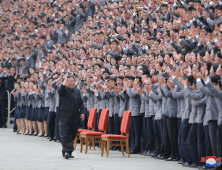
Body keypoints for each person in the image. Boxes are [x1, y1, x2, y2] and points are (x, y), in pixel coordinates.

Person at [58, 73, 86, 159]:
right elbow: (60, 90)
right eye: (69, 81)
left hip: (74, 117)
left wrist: (83, 112)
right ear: (66, 82)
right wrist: (64, 80)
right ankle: (68, 150)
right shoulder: (63, 90)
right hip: (64, 117)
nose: (72, 83)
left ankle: (67, 152)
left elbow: (81, 102)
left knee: (72, 135)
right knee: (65, 135)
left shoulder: (77, 91)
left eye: (73, 81)